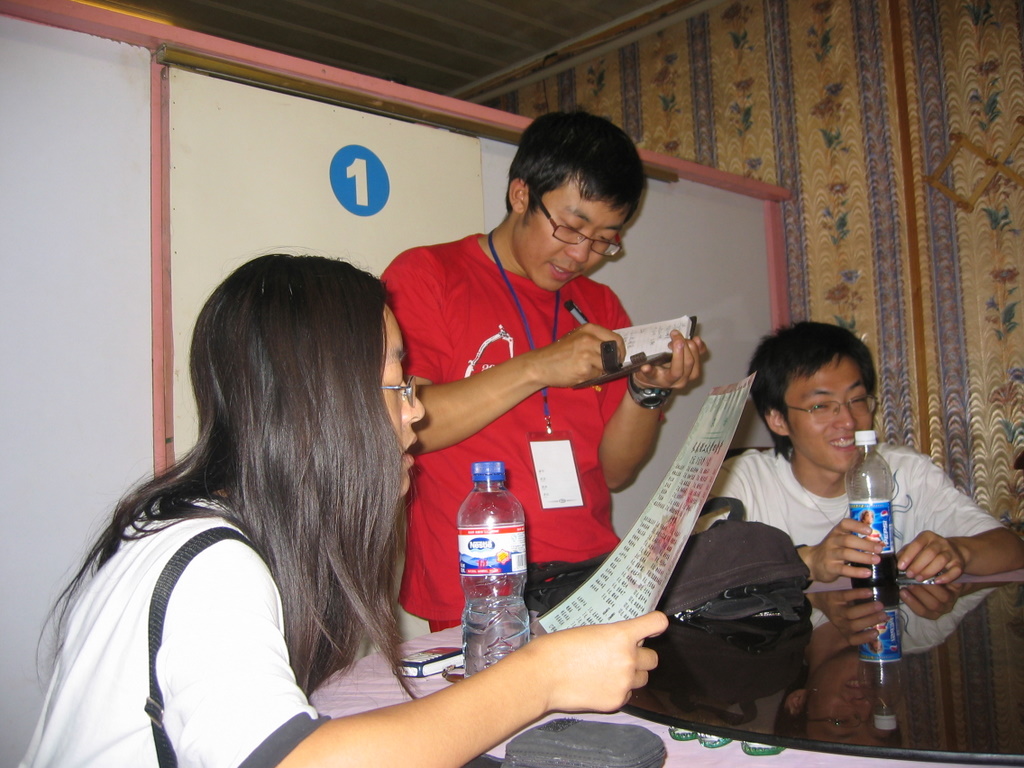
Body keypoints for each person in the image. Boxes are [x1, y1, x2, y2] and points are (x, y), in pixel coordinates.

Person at [20, 254, 668, 768]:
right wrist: (541, 678)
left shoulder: (206, 529)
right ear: (325, 401)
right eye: (399, 383)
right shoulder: (209, 563)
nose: (416, 409)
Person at [383, 111, 707, 628]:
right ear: (520, 195)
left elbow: (616, 472)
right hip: (482, 582)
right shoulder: (427, 276)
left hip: (594, 575)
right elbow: (409, 427)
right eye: (571, 228)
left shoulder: (600, 305)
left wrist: (646, 391)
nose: (581, 255)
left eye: (603, 240)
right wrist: (537, 368)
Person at [708, 321, 1024, 585]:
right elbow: (694, 574)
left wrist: (959, 552)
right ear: (777, 419)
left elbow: (1010, 548)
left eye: (857, 400)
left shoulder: (906, 471)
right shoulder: (739, 481)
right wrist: (807, 560)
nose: (848, 421)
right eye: (821, 406)